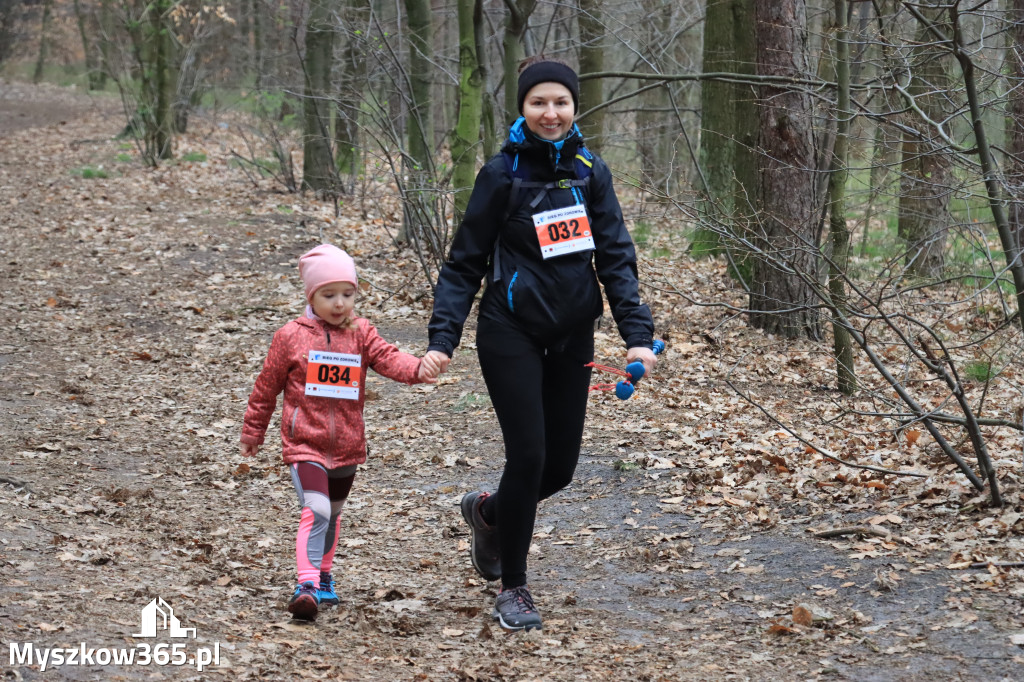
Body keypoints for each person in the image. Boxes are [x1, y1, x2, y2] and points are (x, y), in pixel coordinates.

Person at [420, 57, 657, 632]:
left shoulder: (589, 171)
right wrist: (442, 339)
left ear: (575, 107)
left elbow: (617, 258)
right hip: (510, 331)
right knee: (527, 455)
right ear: (522, 108)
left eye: (561, 102)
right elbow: (463, 264)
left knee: (560, 468)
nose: (550, 113)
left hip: (572, 332)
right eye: (538, 103)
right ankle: (515, 587)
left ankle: (488, 511)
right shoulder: (501, 174)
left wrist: (638, 336)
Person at [241, 244, 436, 620]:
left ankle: (325, 577)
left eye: (347, 294)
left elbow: (389, 358)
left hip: (347, 445)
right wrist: (254, 430)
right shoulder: (290, 336)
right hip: (305, 444)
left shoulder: (361, 333)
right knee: (315, 510)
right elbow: (266, 386)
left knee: (332, 512)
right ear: (310, 295)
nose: (339, 303)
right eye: (329, 295)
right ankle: (307, 585)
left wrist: (417, 369)